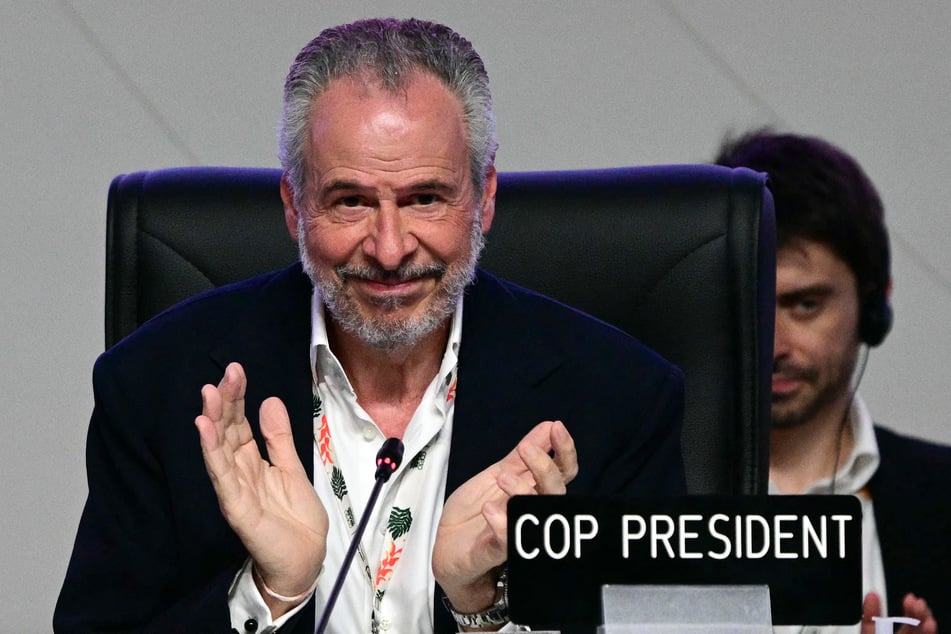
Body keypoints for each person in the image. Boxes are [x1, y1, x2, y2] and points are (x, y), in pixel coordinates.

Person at [54, 18, 686, 634]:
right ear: (294, 207)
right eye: (350, 201)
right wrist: (267, 596)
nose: (389, 249)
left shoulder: (621, 399)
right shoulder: (154, 385)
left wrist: (484, 612)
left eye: (425, 199)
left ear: (485, 197)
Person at [716, 130, 948, 634]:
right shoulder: (650, 496)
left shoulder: (942, 495)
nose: (774, 345)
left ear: (873, 303)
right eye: (753, 302)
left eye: (805, 305)